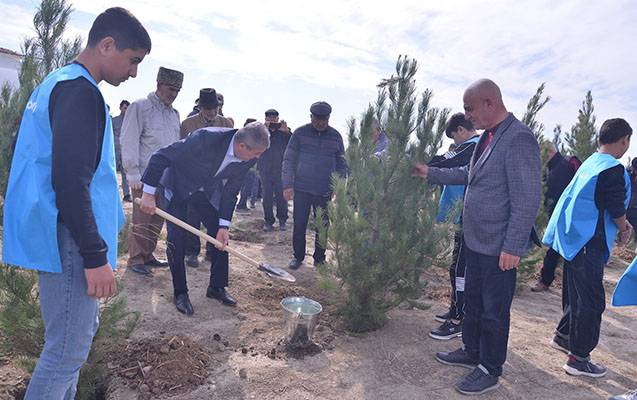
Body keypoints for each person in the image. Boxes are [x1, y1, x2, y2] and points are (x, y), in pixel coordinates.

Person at [2, 8, 150, 398]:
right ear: (106, 45)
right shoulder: (80, 92)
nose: (134, 72)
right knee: (66, 351)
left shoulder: (57, 83)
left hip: (61, 235)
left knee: (70, 346)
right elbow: (69, 181)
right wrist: (95, 255)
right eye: (133, 59)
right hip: (71, 240)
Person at [412, 79, 541, 395]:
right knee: (473, 300)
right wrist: (432, 174)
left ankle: (490, 367)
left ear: (489, 103)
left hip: (499, 246)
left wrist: (513, 245)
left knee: (493, 309)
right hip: (476, 239)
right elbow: (468, 175)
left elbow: (527, 197)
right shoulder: (488, 138)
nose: (466, 115)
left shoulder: (518, 138)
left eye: (469, 108)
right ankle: (472, 350)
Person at [138, 122, 270, 315]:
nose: (258, 158)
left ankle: (216, 287)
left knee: (219, 234)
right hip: (176, 186)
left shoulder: (248, 158)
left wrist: (224, 226)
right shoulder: (205, 138)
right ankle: (180, 293)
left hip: (201, 191)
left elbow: (231, 192)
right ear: (242, 146)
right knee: (177, 239)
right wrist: (148, 194)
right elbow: (161, 157)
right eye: (257, 153)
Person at [544, 118, 632, 378]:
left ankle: (563, 336)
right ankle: (579, 358)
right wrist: (624, 228)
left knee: (575, 293)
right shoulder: (612, 169)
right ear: (624, 140)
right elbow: (616, 207)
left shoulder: (590, 164)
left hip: (573, 238)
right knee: (591, 301)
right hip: (588, 241)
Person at [120, 66, 183, 275]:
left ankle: (148, 254)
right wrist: (133, 173)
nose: (173, 94)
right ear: (158, 85)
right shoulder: (140, 107)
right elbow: (128, 140)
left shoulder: (175, 114)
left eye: (177, 91)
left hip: (166, 178)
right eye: (170, 89)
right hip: (144, 177)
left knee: (157, 219)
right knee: (141, 219)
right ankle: (136, 259)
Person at [427, 113, 480, 341]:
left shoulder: (471, 146)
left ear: (460, 130)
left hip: (468, 219)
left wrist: (421, 167)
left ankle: (458, 320)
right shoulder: (473, 146)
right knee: (456, 268)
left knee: (460, 271)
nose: (454, 143)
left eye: (454, 138)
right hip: (463, 219)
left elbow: (447, 159)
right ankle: (456, 309)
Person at [282, 101, 348, 270]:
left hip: (324, 190)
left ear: (328, 118)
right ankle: (298, 256)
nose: (320, 123)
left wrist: (338, 186)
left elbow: (342, 163)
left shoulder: (335, 137)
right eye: (317, 119)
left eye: (323, 120)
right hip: (302, 187)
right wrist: (287, 184)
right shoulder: (299, 133)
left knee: (323, 225)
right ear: (311, 117)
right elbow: (289, 160)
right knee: (299, 223)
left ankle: (319, 258)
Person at [180, 88, 233, 268]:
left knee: (217, 215)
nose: (212, 112)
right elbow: (181, 150)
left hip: (216, 178)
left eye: (215, 108)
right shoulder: (188, 124)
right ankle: (192, 252)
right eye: (208, 108)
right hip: (194, 178)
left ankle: (212, 250)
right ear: (200, 107)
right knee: (192, 216)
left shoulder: (227, 123)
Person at [530, 143, 579, 292]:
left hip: (571, 217)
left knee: (572, 253)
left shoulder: (570, 162)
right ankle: (545, 281)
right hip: (556, 217)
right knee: (553, 250)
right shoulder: (548, 168)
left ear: (550, 151)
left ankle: (572, 286)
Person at [259, 108, 291, 232]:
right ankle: (268, 221)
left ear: (278, 119)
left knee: (281, 196)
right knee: (266, 196)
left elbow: (293, 146)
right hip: (265, 169)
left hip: (281, 170)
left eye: (274, 118)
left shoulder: (284, 132)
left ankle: (282, 220)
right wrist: (264, 129)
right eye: (269, 118)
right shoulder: (261, 131)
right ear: (266, 119)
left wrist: (287, 132)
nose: (272, 120)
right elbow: (255, 142)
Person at [112, 99, 131, 202]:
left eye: (128, 108)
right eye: (124, 107)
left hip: (125, 150)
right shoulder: (114, 120)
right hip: (114, 149)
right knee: (111, 172)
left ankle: (127, 194)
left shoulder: (131, 121)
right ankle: (111, 195)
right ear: (120, 108)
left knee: (125, 173)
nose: (126, 110)